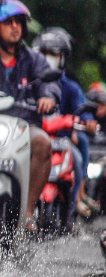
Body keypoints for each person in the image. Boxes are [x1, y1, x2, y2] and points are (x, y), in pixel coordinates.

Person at [0, 0, 61, 230]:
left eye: (18, 22)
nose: (15, 27)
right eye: (8, 22)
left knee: (42, 143)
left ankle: (27, 212)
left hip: (22, 126)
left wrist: (48, 96)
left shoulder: (34, 59)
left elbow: (49, 82)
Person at [34, 26, 98, 215]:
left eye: (52, 53)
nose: (47, 57)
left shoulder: (70, 86)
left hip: (62, 138)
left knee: (77, 160)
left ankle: (76, 198)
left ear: (62, 57)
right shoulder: (29, 81)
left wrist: (86, 122)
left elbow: (83, 109)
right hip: (32, 136)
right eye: (43, 53)